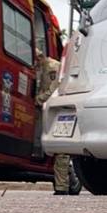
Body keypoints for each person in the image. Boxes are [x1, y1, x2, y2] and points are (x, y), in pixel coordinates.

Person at [34, 48, 72, 195]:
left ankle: (62, 188)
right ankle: (61, 186)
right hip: (52, 110)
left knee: (61, 151)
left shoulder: (52, 67)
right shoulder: (42, 67)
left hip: (59, 110)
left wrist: (37, 100)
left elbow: (53, 90)